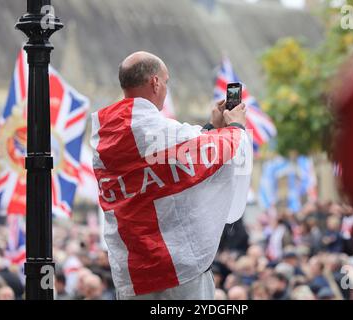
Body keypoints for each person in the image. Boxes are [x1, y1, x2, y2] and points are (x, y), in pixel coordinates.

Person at [91, 51, 252, 300]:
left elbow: (172, 159)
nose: (166, 88)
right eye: (166, 81)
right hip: (178, 272)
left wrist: (210, 129)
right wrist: (236, 128)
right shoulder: (153, 130)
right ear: (155, 82)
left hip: (133, 272)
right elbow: (201, 151)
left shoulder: (107, 135)